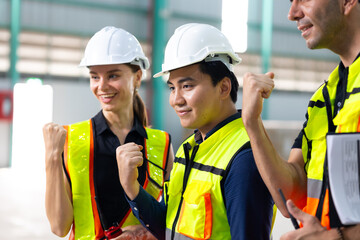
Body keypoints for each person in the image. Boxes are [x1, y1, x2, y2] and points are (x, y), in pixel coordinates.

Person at [116, 23, 274, 240]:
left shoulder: (243, 158)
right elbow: (168, 225)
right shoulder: (189, 148)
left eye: (187, 86)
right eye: (172, 88)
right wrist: (131, 187)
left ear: (224, 88)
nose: (176, 100)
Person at [241, 0, 360, 239]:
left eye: (303, 0)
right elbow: (290, 199)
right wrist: (252, 124)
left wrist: (338, 237)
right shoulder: (323, 99)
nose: (292, 14)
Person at [43, 26, 174, 240]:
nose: (102, 86)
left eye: (112, 75)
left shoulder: (162, 144)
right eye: (95, 77)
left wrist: (144, 233)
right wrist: (51, 158)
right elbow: (59, 226)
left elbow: (172, 221)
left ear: (137, 77)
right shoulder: (70, 140)